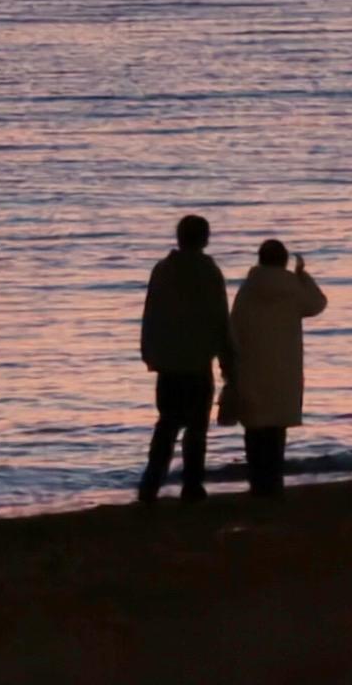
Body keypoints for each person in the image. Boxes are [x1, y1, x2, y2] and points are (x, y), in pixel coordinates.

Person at [138, 214, 232, 504]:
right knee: (196, 428)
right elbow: (220, 319)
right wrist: (227, 361)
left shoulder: (163, 270)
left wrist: (149, 353)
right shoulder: (208, 271)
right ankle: (192, 486)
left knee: (166, 424)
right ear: (204, 239)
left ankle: (150, 485)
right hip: (196, 362)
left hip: (168, 363)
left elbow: (150, 314)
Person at [225, 238, 327, 496]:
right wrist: (303, 275)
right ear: (284, 261)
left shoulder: (248, 289)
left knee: (254, 432)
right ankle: (273, 483)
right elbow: (317, 304)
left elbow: (233, 329)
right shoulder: (292, 287)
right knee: (276, 434)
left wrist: (229, 369)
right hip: (284, 371)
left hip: (251, 368)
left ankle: (257, 484)